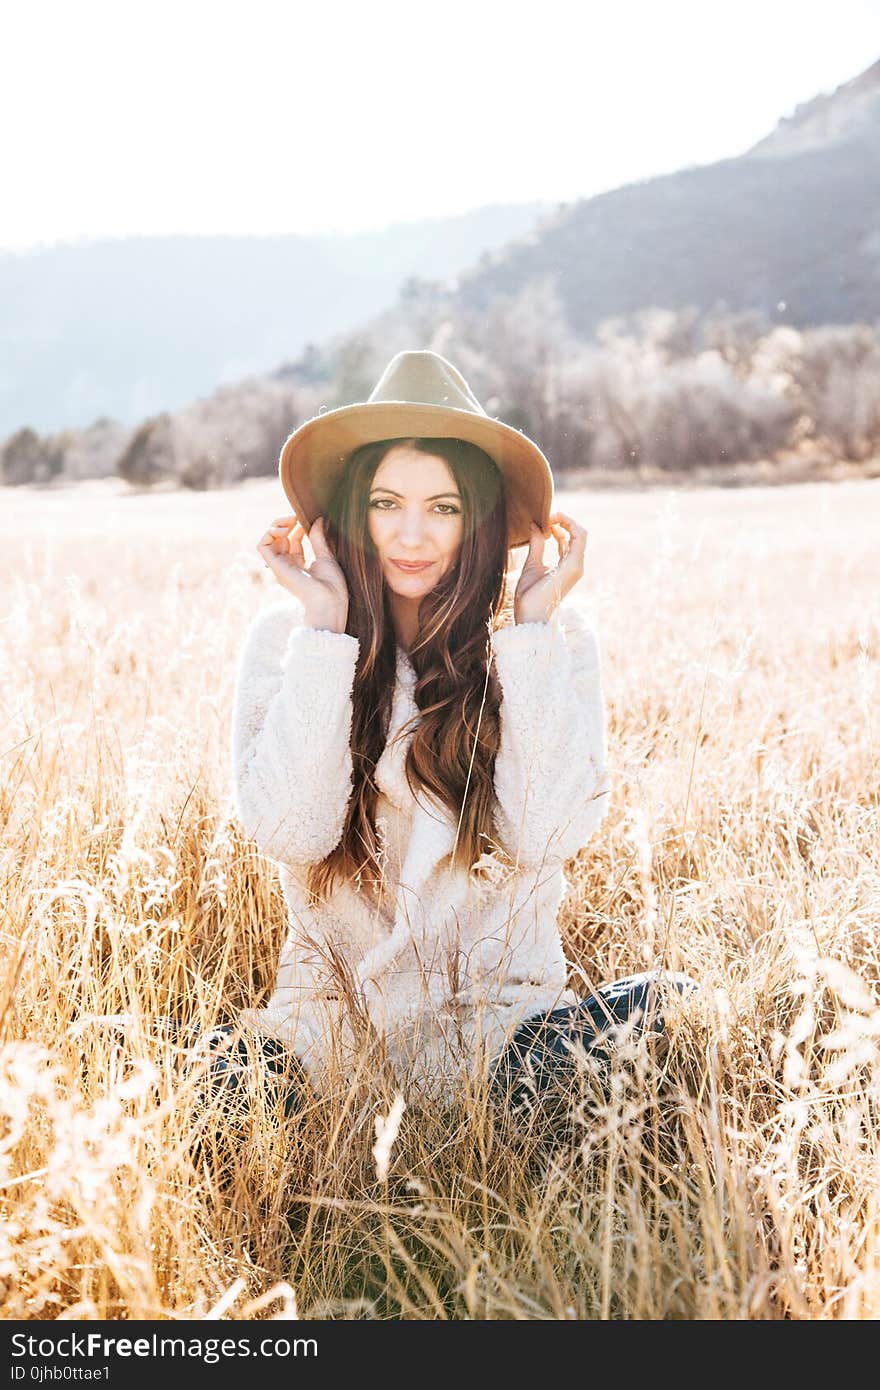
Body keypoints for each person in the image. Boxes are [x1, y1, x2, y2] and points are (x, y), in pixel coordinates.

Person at [198, 349, 698, 1134]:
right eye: (388, 503)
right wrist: (326, 637)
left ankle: (519, 1106)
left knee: (680, 1010)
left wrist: (532, 631)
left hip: (499, 1028)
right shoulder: (291, 641)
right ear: (354, 511)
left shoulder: (548, 641)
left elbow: (548, 831)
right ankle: (293, 1100)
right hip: (332, 1027)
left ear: (482, 519)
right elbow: (293, 831)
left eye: (444, 507)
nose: (411, 535)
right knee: (192, 1086)